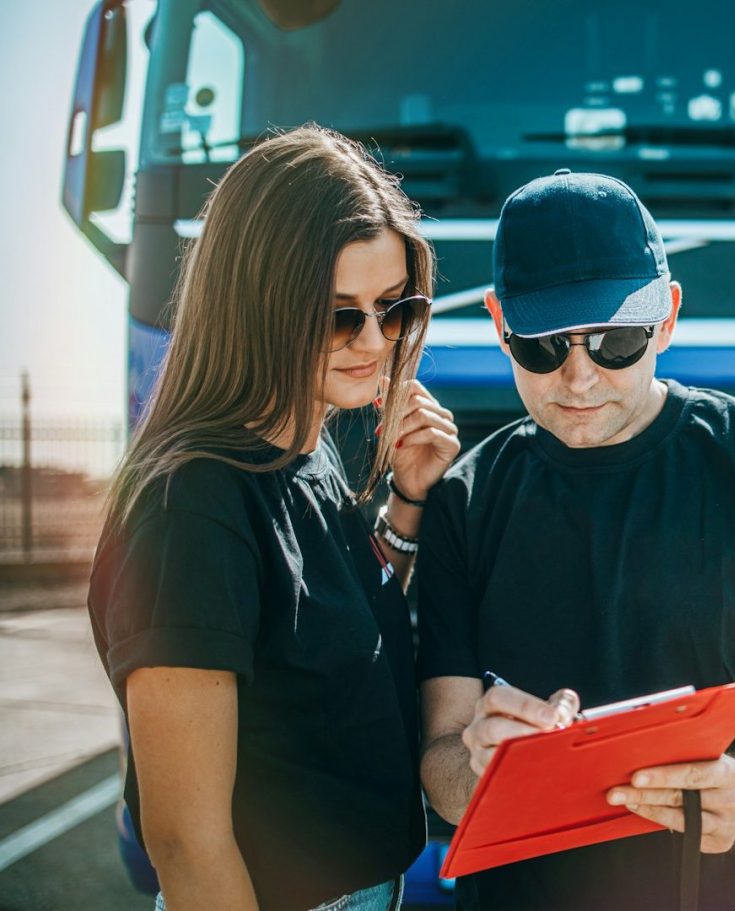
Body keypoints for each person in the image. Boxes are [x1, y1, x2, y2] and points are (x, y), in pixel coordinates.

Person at [417, 170, 735, 911]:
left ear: (666, 317)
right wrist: (476, 763)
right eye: (541, 347)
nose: (577, 377)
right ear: (496, 323)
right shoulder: (465, 498)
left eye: (615, 340)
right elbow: (442, 763)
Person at [87, 124, 460, 911]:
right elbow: (187, 843)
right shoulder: (190, 504)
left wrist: (408, 500)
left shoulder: (304, 451)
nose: (374, 342)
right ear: (256, 305)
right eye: (337, 316)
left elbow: (319, 633)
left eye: (393, 309)